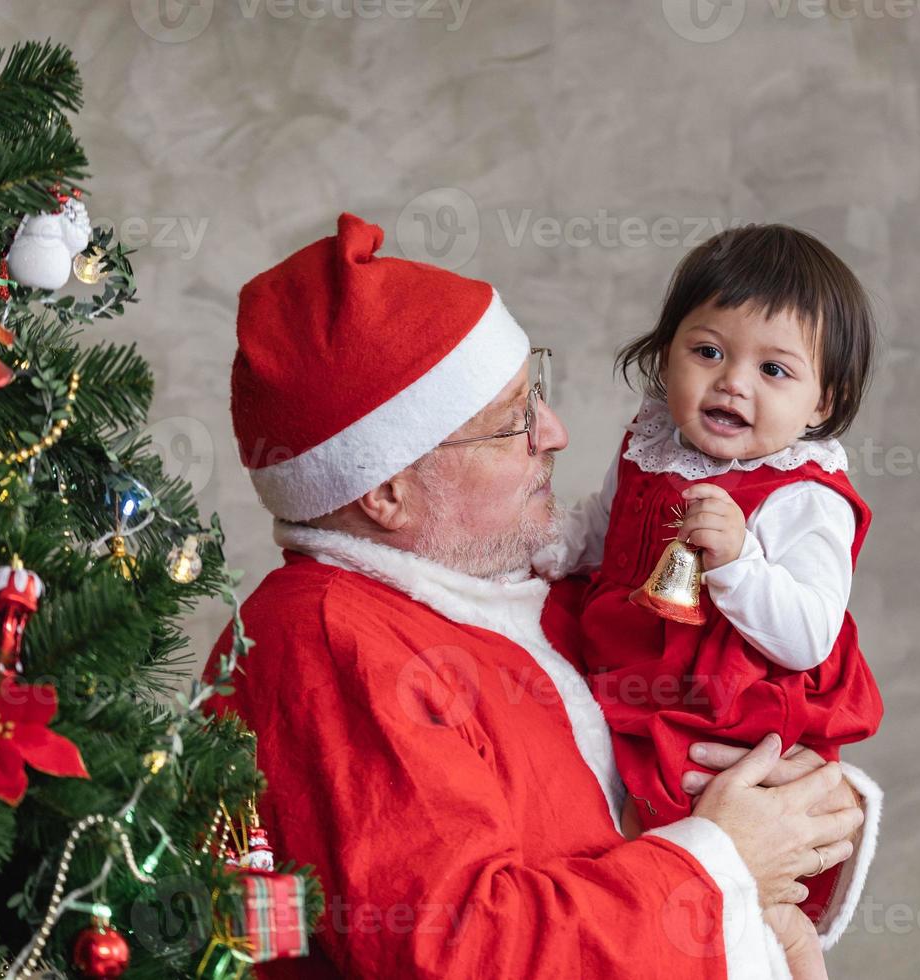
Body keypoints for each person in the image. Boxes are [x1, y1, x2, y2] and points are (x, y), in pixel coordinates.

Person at [203, 213, 883, 978]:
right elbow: (458, 953)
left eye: (540, 393)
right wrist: (722, 857)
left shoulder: (531, 590)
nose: (555, 433)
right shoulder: (327, 643)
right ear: (388, 492)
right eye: (512, 422)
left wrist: (804, 802)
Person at [534, 225, 882, 975]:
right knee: (603, 817)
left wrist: (739, 563)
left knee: (666, 819)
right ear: (666, 355)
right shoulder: (651, 442)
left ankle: (775, 939)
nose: (733, 383)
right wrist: (556, 549)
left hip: (725, 697)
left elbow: (809, 634)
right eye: (708, 351)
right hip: (636, 660)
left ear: (824, 401)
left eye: (775, 370)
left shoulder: (802, 497)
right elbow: (609, 525)